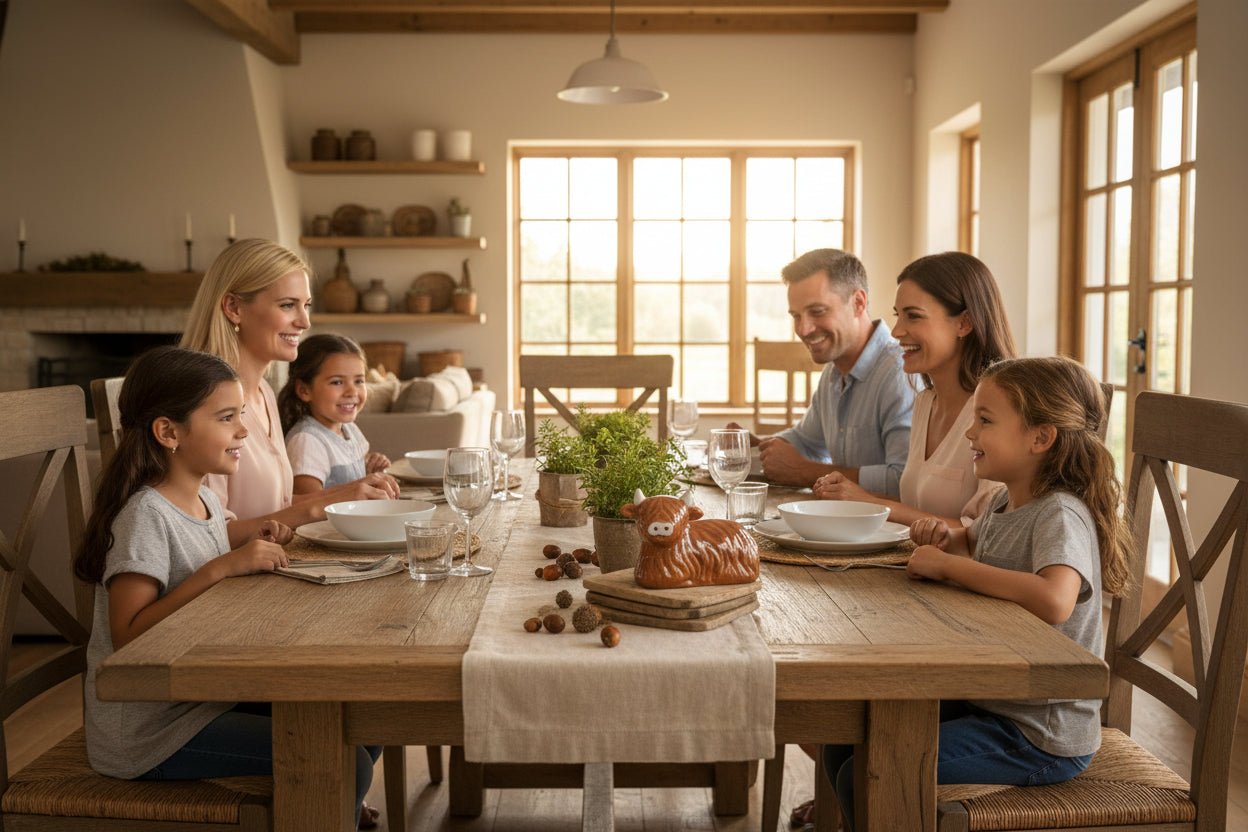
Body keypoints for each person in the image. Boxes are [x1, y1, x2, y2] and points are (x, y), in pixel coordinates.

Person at [808, 356, 1132, 832]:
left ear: (1040, 438)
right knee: (848, 735)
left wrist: (950, 565)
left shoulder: (1060, 513)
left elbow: (1054, 599)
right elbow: (980, 542)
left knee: (869, 769)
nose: (970, 434)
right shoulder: (1006, 498)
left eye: (985, 421)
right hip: (997, 701)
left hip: (1038, 733)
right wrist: (949, 540)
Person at [74, 346, 380, 828]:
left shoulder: (203, 502)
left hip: (202, 695)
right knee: (348, 758)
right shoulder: (144, 517)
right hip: (150, 732)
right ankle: (327, 809)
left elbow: (208, 543)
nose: (243, 430)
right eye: (226, 417)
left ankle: (329, 811)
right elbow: (126, 637)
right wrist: (221, 569)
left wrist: (256, 538)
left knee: (362, 713)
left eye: (241, 415)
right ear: (169, 432)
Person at [180, 238, 399, 546]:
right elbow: (206, 536)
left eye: (305, 305)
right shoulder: (206, 402)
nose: (305, 321)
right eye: (287, 305)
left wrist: (349, 493)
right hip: (229, 587)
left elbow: (273, 507)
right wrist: (319, 504)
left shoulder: (265, 393)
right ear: (233, 307)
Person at [813, 251, 1016, 528]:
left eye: (913, 316)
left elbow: (988, 532)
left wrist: (869, 502)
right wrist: (850, 495)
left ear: (964, 323)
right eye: (899, 315)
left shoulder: (1001, 413)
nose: (896, 331)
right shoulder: (926, 402)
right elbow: (917, 510)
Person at [729, 248, 914, 495]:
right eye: (796, 316)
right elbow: (807, 442)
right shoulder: (834, 371)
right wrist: (757, 446)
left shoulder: (900, 372)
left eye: (817, 312)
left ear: (858, 303)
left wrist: (803, 471)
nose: (803, 329)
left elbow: (903, 481)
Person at [278, 334, 391, 496]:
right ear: (304, 390)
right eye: (337, 382)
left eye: (359, 381)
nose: (352, 391)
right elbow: (308, 504)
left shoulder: (349, 429)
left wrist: (369, 469)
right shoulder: (307, 441)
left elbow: (347, 477)